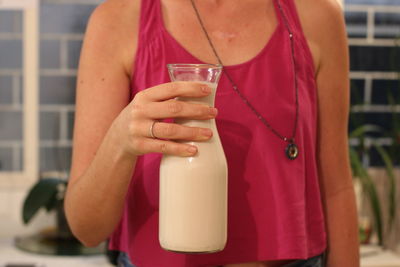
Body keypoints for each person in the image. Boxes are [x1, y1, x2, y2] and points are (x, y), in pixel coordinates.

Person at [64, 0, 360, 266]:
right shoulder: (117, 21)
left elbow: (336, 188)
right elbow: (87, 229)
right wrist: (119, 142)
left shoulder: (318, 16)